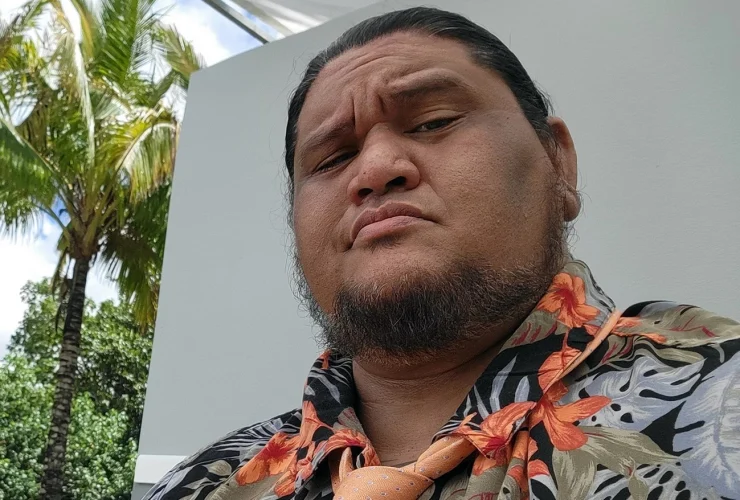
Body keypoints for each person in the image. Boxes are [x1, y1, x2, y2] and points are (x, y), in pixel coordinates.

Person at [144, 7, 740, 500]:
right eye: (332, 158)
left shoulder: (720, 400)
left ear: (557, 161)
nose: (374, 170)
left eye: (433, 121)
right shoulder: (201, 484)